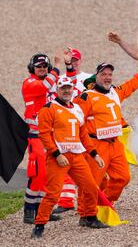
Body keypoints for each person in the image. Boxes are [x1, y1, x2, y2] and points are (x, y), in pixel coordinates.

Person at [74, 61, 138, 224]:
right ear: (96, 76)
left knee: (123, 178)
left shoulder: (115, 92)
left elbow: (130, 85)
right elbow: (75, 120)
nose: (107, 77)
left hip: (115, 143)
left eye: (110, 74)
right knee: (92, 182)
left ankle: (104, 203)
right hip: (97, 144)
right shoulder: (86, 96)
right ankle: (85, 214)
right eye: (103, 74)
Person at [31, 77, 108, 238]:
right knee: (53, 193)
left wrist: (94, 154)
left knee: (91, 187)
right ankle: (39, 225)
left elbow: (83, 135)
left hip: (77, 156)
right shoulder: (49, 108)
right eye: (63, 88)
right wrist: (56, 154)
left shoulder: (78, 109)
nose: (66, 91)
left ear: (73, 89)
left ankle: (89, 217)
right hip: (58, 157)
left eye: (69, 88)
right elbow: (44, 134)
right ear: (57, 90)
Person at [22, 51, 75, 224]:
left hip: (50, 136)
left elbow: (70, 84)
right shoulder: (29, 83)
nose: (43, 69)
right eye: (39, 66)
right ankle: (29, 211)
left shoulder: (50, 83)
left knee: (48, 174)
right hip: (36, 136)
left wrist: (68, 66)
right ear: (33, 68)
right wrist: (57, 66)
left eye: (45, 66)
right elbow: (45, 86)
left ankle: (41, 210)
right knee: (37, 174)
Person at [52, 48, 93, 214]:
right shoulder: (62, 79)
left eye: (76, 60)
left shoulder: (89, 78)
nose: (74, 62)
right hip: (68, 126)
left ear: (81, 60)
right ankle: (66, 200)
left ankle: (90, 200)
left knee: (89, 165)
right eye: (71, 60)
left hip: (86, 125)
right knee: (68, 162)